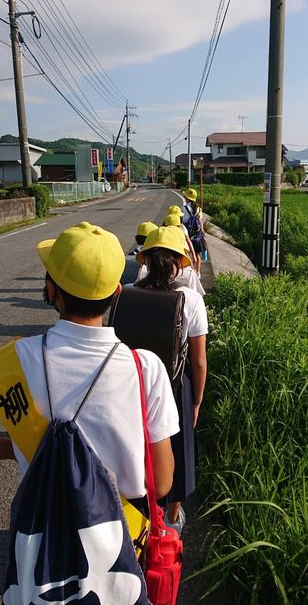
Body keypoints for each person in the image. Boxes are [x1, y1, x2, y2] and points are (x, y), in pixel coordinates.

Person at [0, 221, 179, 507]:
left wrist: (24, 445)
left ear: (51, 289)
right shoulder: (146, 368)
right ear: (117, 292)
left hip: (41, 537)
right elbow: (161, 482)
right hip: (121, 536)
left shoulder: (15, 360)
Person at [135, 226, 208, 534]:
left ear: (147, 261)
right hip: (175, 387)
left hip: (135, 384)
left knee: (139, 449)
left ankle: (139, 517)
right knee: (176, 449)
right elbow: (199, 360)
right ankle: (172, 519)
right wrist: (197, 401)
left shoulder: (128, 293)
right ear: (179, 262)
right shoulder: (190, 299)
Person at [182, 188, 205, 275]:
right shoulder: (198, 209)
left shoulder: (183, 208)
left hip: (187, 234)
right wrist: (202, 234)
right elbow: (200, 222)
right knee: (197, 254)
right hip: (197, 236)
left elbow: (182, 221)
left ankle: (190, 271)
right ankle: (198, 272)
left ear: (186, 198)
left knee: (187, 253)